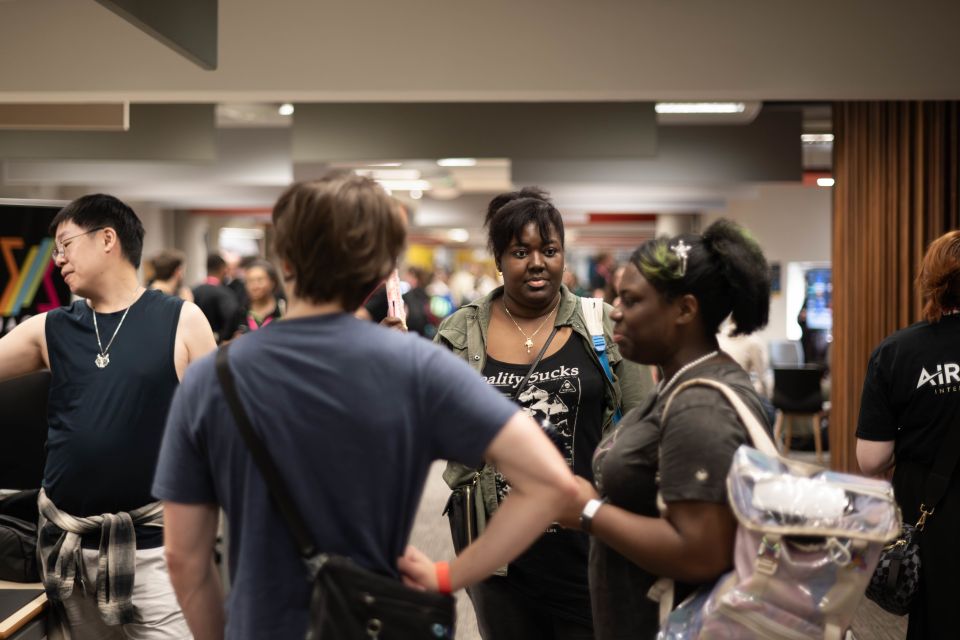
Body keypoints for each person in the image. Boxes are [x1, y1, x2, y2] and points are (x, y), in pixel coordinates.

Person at [151, 172, 579, 640]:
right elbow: (549, 482)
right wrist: (448, 577)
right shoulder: (419, 369)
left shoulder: (213, 378)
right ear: (380, 269)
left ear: (284, 260)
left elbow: (185, 559)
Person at [434, 187, 652, 640]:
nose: (537, 262)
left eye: (549, 250)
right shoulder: (460, 332)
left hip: (588, 542)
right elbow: (433, 429)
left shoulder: (604, 325)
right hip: (497, 553)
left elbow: (644, 427)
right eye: (520, 252)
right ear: (499, 259)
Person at [0, 193, 216, 638]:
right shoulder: (51, 328)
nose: (58, 259)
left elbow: (221, 431)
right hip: (69, 551)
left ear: (107, 239)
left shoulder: (182, 320)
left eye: (65, 244)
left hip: (154, 551)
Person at [557, 219, 772, 640]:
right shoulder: (682, 382)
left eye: (632, 300)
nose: (616, 310)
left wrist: (589, 512)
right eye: (618, 296)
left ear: (685, 309)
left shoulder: (701, 406)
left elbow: (699, 551)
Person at [856, 230, 960, 639]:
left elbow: (872, 459)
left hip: (929, 508)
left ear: (929, 280)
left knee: (937, 617)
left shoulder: (897, 352)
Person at [192, 254, 241, 343]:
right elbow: (232, 318)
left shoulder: (193, 291)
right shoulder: (226, 294)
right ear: (223, 269)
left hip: (195, 342)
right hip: (218, 345)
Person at [236, 259, 284, 334]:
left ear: (273, 282)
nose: (255, 286)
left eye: (260, 280)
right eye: (250, 281)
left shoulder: (283, 310)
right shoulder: (240, 313)